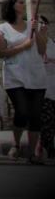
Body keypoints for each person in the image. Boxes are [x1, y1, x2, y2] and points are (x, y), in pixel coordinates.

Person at [0, 0, 47, 164]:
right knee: (22, 111)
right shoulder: (2, 29)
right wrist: (22, 47)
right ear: (12, 5)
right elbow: (1, 53)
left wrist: (39, 31)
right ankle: (16, 143)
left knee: (35, 115)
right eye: (20, 2)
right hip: (15, 76)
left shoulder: (33, 26)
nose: (24, 5)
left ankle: (32, 152)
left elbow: (41, 49)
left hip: (36, 75)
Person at [39, 16, 55, 160]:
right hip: (41, 88)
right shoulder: (33, 43)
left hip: (53, 85)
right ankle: (47, 146)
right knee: (47, 119)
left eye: (44, 22)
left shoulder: (52, 43)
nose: (42, 25)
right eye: (39, 23)